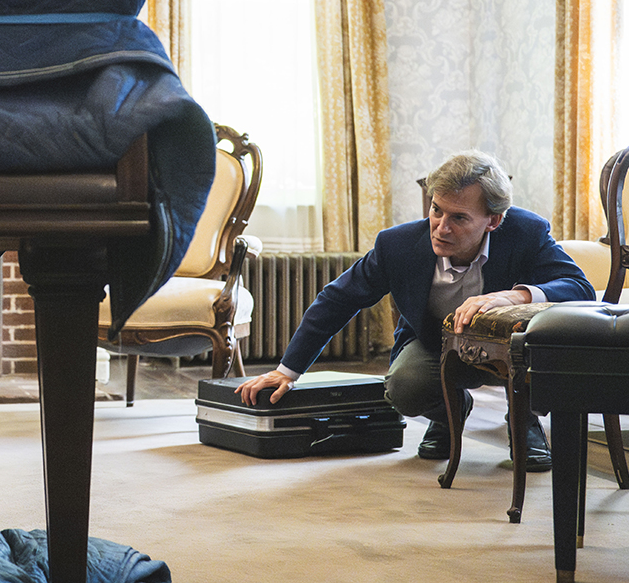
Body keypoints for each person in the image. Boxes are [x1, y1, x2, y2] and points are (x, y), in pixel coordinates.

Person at [235, 151, 595, 469]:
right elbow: (337, 298)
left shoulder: (526, 232)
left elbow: (580, 287)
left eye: (459, 218)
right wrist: (287, 370)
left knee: (541, 346)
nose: (440, 227)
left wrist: (514, 297)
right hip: (435, 343)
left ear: (493, 220)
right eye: (436, 210)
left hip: (513, 349)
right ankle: (449, 413)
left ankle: (524, 420)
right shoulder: (397, 245)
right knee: (404, 389)